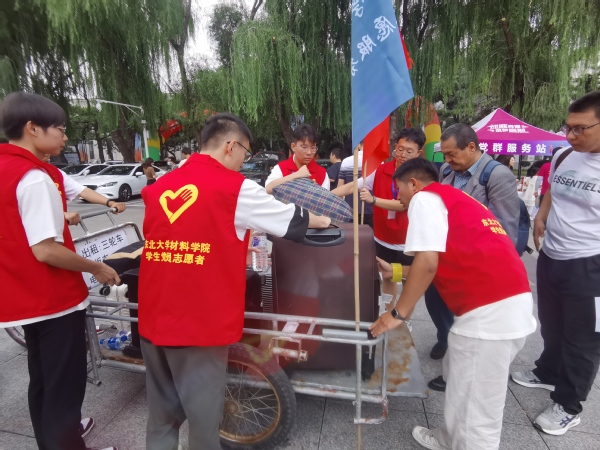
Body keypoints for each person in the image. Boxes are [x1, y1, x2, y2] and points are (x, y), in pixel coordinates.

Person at [138, 112, 331, 450]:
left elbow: (181, 238)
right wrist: (324, 219)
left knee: (161, 418)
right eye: (245, 152)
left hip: (153, 318)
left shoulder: (163, 185)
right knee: (205, 424)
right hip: (197, 326)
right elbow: (290, 220)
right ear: (231, 146)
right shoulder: (234, 188)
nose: (244, 161)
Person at [370, 158, 536, 450]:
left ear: (414, 184)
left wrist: (398, 313)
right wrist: (394, 271)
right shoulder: (456, 198)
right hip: (506, 301)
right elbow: (442, 261)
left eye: (399, 190)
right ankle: (448, 438)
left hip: (489, 312)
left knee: (477, 411)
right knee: (461, 383)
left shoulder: (424, 199)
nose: (399, 198)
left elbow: (428, 262)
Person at [0, 92, 120, 450]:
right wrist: (97, 267)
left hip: (22, 298)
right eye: (60, 129)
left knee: (43, 384)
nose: (65, 137)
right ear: (33, 128)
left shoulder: (7, 168)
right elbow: (46, 250)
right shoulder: (35, 177)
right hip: (53, 300)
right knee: (64, 392)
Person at [511, 90, 600, 436]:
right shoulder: (564, 155)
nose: (571, 135)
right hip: (552, 256)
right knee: (551, 322)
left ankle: (569, 404)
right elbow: (551, 190)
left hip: (590, 266)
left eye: (581, 129)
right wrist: (540, 216)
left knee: (583, 339)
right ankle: (547, 371)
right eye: (568, 127)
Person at [426, 123, 521, 389]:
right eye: (444, 155)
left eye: (452, 154)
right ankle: (446, 338)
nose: (447, 160)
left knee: (467, 318)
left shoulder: (497, 175)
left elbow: (504, 227)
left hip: (476, 260)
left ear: (471, 147)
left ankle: (458, 370)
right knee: (435, 300)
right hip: (447, 252)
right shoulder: (447, 171)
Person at [333, 128, 426, 303]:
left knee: (408, 280)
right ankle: (388, 312)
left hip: (408, 241)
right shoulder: (381, 170)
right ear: (395, 147)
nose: (403, 154)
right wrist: (326, 195)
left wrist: (373, 200)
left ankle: (404, 316)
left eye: (409, 151)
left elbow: (403, 205)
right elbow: (353, 186)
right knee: (388, 277)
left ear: (418, 153)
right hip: (383, 238)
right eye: (400, 149)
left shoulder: (421, 176)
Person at [265, 124, 329, 193]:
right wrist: (296, 175)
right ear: (293, 147)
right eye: (304, 147)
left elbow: (324, 198)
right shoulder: (281, 168)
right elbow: (268, 189)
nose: (309, 152)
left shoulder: (322, 173)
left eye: (313, 147)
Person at [335, 142, 374, 227]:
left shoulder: (346, 161)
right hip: (370, 209)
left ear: (359, 144)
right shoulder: (377, 162)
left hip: (349, 209)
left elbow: (340, 187)